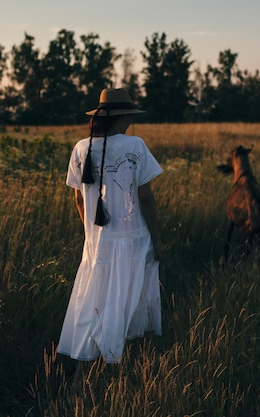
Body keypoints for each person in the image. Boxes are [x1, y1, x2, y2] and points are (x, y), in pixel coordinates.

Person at [57, 88, 165, 375]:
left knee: (94, 300)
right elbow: (145, 198)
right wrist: (157, 239)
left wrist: (92, 234)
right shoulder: (136, 146)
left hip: (96, 245)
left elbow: (79, 198)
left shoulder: (80, 148)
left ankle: (85, 374)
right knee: (131, 300)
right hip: (133, 240)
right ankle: (128, 368)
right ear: (125, 116)